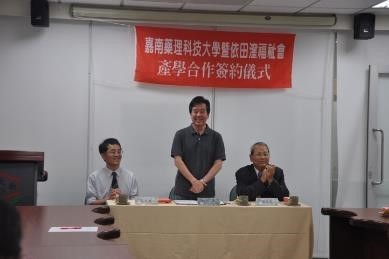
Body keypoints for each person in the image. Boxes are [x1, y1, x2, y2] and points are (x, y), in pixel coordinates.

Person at [171, 96, 226, 200]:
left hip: (206, 192)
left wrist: (202, 182)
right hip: (183, 192)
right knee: (182, 217)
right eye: (195, 111)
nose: (198, 115)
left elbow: (218, 164)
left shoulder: (216, 137)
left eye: (202, 111)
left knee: (205, 217)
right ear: (190, 113)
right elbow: (177, 161)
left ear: (208, 114)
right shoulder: (180, 134)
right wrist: (194, 181)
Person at [85, 138, 138, 205]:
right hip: (100, 213)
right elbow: (89, 202)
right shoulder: (94, 177)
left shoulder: (130, 176)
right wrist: (106, 200)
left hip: (124, 214)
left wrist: (123, 198)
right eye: (113, 152)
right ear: (103, 156)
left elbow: (135, 201)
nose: (117, 155)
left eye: (119, 152)